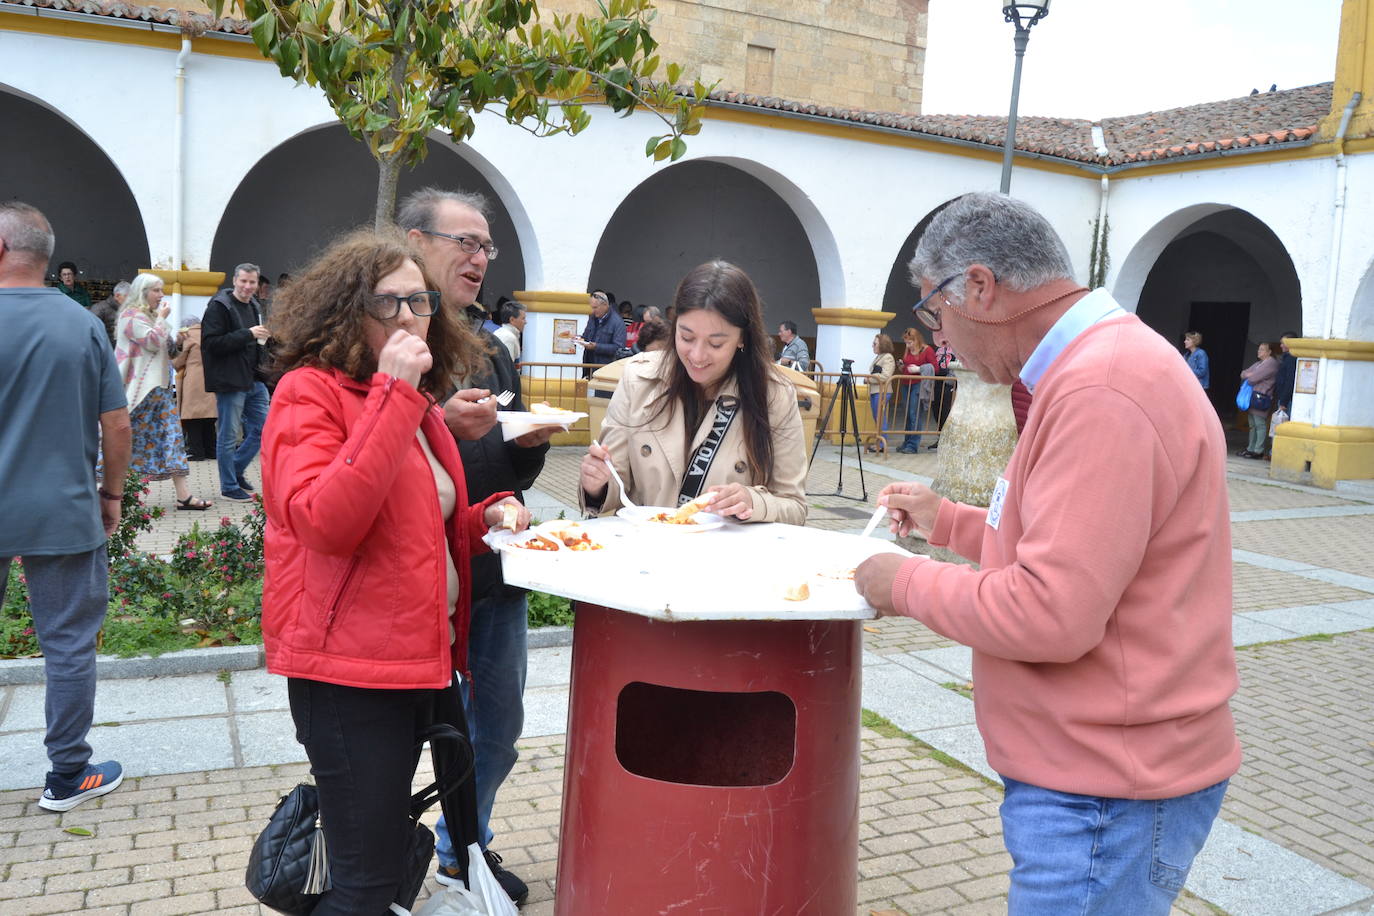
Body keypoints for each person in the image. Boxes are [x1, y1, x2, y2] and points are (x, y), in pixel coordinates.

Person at [855, 193, 1239, 916]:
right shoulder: (1094, 367)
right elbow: (1071, 547)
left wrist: (901, 583)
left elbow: (1051, 614)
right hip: (1101, 776)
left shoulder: (1101, 388)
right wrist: (951, 522)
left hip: (1105, 790)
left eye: (933, 312)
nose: (940, 341)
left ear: (979, 287)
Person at [261, 227, 530, 914]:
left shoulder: (412, 407)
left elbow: (414, 530)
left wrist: (486, 518)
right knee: (365, 883)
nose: (410, 316)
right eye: (390, 302)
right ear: (346, 310)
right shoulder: (309, 394)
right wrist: (393, 397)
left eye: (421, 301)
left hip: (421, 657)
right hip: (347, 673)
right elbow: (327, 521)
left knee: (390, 867)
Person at [400, 186, 558, 907]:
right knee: (402, 738)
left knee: (498, 728)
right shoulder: (389, 348)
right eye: (464, 241)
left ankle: (466, 847)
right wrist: (437, 418)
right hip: (417, 579)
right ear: (414, 240)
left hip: (495, 566)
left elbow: (504, 466)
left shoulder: (492, 346)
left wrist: (525, 450)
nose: (479, 257)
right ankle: (375, 858)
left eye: (486, 245)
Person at [0, 201, 131, 811]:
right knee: (68, 644)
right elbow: (116, 423)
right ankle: (67, 775)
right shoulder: (80, 323)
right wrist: (112, 494)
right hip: (63, 509)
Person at [580, 260, 808, 525]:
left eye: (716, 343)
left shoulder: (773, 395)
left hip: (729, 559)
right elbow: (615, 484)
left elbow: (794, 506)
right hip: (647, 552)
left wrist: (753, 502)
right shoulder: (639, 378)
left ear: (743, 338)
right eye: (686, 338)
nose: (697, 356)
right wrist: (597, 484)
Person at [114, 274, 213, 509]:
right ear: (143, 292)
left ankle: (184, 496)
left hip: (161, 390)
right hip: (138, 393)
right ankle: (110, 493)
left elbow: (168, 352)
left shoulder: (150, 317)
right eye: (156, 290)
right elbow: (150, 342)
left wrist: (178, 341)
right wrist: (161, 319)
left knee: (173, 439)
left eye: (162, 290)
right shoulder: (130, 317)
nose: (161, 295)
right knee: (126, 441)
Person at [202, 263, 270, 501]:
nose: (248, 286)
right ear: (234, 280)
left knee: (265, 429)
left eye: (252, 282)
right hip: (230, 380)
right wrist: (248, 334)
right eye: (243, 281)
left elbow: (254, 339)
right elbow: (211, 344)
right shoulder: (219, 306)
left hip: (254, 378)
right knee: (228, 436)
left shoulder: (253, 304)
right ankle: (228, 486)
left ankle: (236, 469)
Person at [173, 315, 217, 461]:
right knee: (209, 418)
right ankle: (211, 451)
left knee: (193, 418)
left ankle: (197, 452)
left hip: (194, 380)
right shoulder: (209, 333)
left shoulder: (188, 336)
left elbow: (178, 362)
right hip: (211, 378)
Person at [897, 327, 937, 453]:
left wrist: (919, 369)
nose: (908, 345)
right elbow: (906, 367)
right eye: (906, 342)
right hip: (906, 383)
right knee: (908, 414)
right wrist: (902, 366)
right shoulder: (908, 350)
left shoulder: (927, 350)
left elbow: (935, 368)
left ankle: (913, 445)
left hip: (919, 384)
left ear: (917, 340)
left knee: (915, 414)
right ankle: (907, 441)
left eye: (910, 342)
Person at [1238, 340, 1279, 459]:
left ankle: (1258, 450)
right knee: (1252, 424)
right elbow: (1243, 373)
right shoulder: (1260, 363)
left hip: (1262, 397)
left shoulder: (1271, 363)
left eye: (1262, 349)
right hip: (1253, 396)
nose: (1258, 351)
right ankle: (1250, 448)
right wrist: (1250, 375)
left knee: (1259, 423)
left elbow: (1252, 379)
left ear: (1269, 352)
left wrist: (1251, 375)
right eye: (1259, 349)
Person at [574, 288, 626, 377]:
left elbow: (619, 348)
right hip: (589, 367)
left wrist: (596, 347)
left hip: (605, 369)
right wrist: (579, 339)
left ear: (605, 305)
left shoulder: (617, 322)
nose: (592, 311)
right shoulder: (592, 318)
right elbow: (586, 336)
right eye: (592, 307)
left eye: (595, 307)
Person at [866, 333, 896, 453]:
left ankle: (882, 444)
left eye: (875, 344)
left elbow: (885, 375)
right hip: (876, 391)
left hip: (882, 391)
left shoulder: (887, 357)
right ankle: (879, 442)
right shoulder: (880, 356)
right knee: (877, 417)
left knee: (879, 417)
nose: (872, 346)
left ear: (882, 344)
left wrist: (869, 379)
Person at [91, 280, 130, 348]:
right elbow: (91, 333)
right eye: (127, 297)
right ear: (117, 295)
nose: (129, 300)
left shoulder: (127, 309)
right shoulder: (99, 309)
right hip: (105, 351)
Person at [493, 298, 526, 363]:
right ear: (512, 320)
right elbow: (506, 367)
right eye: (523, 318)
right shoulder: (509, 338)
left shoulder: (501, 333)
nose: (525, 322)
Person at [1274, 331, 1298, 415]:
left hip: (1287, 400)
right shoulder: (1287, 358)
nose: (1281, 345)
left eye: (1283, 343)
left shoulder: (1291, 359)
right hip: (1284, 398)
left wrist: (1283, 401)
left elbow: (1289, 380)